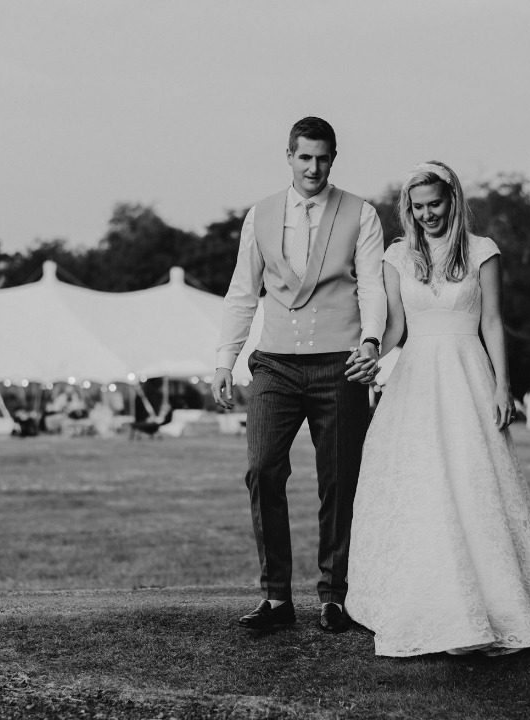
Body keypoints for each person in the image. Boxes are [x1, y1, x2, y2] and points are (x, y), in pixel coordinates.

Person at [345, 161, 530, 656]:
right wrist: (369, 354)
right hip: (416, 380)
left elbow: (493, 321)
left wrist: (502, 385)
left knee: (474, 481)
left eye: (436, 204)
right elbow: (393, 329)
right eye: (418, 207)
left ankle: (495, 600)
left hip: (469, 373)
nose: (428, 215)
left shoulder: (482, 250)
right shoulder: (398, 255)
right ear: (409, 208)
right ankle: (432, 598)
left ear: (453, 199)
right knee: (421, 484)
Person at [212, 117, 386, 633]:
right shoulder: (260, 215)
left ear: (334, 158)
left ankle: (335, 595)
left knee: (339, 480)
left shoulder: (362, 213)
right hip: (275, 365)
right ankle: (276, 598)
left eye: (323, 157)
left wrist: (371, 341)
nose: (314, 167)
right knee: (263, 468)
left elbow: (372, 286)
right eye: (304, 157)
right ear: (288, 156)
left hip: (342, 363)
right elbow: (243, 292)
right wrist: (226, 358)